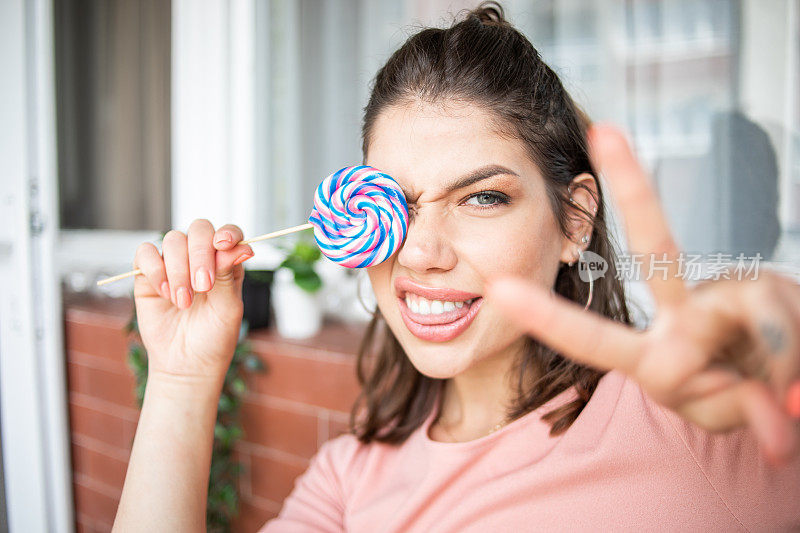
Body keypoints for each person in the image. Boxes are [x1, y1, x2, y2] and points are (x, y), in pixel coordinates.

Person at [113, 3, 800, 531]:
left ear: (575, 219)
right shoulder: (347, 482)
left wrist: (778, 331)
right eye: (397, 202)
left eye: (482, 197)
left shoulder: (689, 413)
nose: (420, 251)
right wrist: (180, 379)